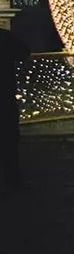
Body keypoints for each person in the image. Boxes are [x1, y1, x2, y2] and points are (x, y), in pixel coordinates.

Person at [1, 25, 29, 189]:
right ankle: (12, 178)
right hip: (4, 96)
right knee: (8, 139)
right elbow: (24, 52)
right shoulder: (4, 37)